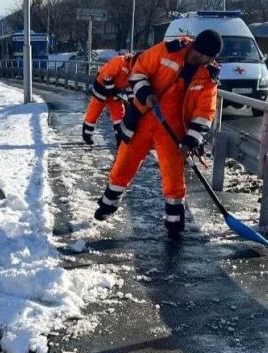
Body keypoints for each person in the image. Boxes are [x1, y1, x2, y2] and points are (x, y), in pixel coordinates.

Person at [94, 30, 221, 238]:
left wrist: (191, 139)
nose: (203, 60)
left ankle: (174, 223)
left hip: (173, 129)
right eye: (203, 55)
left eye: (208, 58)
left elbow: (205, 112)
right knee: (124, 163)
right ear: (198, 48)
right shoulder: (168, 50)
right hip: (143, 117)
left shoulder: (208, 77)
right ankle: (107, 206)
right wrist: (145, 94)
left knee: (173, 174)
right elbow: (138, 69)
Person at [82, 52, 135, 146]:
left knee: (119, 114)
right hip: (101, 88)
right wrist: (113, 91)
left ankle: (120, 139)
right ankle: (87, 135)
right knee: (94, 111)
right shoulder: (119, 61)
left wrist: (132, 102)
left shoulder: (134, 71)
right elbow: (107, 76)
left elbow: (130, 86)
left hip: (115, 92)